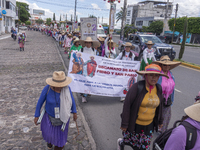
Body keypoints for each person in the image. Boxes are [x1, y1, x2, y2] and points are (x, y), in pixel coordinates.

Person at [118, 64, 169, 150]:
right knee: (130, 142)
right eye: (151, 75)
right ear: (145, 75)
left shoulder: (158, 88)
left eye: (156, 75)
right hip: (135, 124)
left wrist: (160, 121)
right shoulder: (137, 87)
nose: (154, 78)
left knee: (143, 147)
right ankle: (121, 143)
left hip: (149, 126)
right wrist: (124, 123)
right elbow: (127, 105)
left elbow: (159, 107)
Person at [34, 71, 77, 150]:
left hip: (63, 118)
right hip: (49, 118)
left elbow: (72, 100)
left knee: (60, 142)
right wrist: (37, 115)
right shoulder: (47, 89)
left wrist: (74, 112)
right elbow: (40, 102)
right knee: (50, 135)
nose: (60, 87)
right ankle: (50, 142)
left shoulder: (67, 89)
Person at [152, 55, 181, 133]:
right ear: (161, 65)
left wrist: (172, 99)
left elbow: (173, 89)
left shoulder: (170, 74)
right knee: (156, 114)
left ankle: (162, 130)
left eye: (169, 65)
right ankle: (153, 127)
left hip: (167, 99)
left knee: (166, 116)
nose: (167, 66)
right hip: (157, 97)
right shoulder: (157, 74)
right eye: (165, 64)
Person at [79, 37, 100, 103]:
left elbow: (96, 58)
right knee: (84, 82)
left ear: (91, 43)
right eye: (87, 42)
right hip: (84, 68)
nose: (88, 44)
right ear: (85, 43)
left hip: (91, 68)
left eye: (89, 43)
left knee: (90, 81)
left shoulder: (93, 50)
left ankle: (88, 93)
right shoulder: (82, 50)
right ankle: (83, 96)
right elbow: (78, 57)